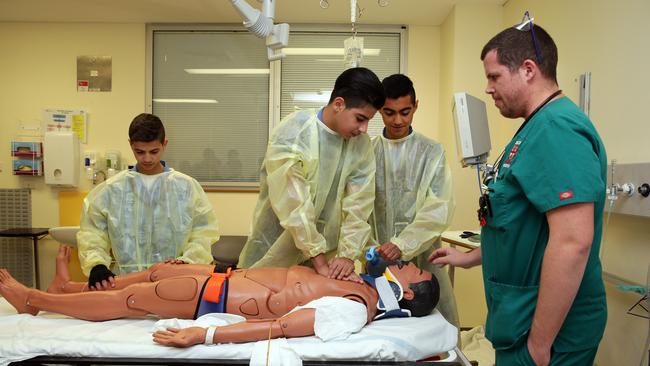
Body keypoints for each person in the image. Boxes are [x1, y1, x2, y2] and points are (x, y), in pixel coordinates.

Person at [430, 20, 607, 366]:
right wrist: (471, 257)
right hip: (522, 321)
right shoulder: (534, 129)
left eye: (494, 77)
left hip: (548, 335)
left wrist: (540, 344)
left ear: (528, 70)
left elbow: (573, 241)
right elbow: (523, 226)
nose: (488, 88)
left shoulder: (556, 129)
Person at [0, 246, 439, 347]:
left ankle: (34, 301)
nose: (404, 263)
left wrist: (203, 336)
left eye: (411, 269)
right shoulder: (358, 283)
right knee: (156, 272)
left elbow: (279, 328)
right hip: (225, 274)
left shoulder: (352, 311)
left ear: (407, 290)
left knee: (133, 299)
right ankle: (69, 289)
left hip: (216, 297)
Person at [238, 67, 385, 281]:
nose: (364, 129)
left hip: (327, 260)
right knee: (260, 304)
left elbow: (359, 206)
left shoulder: (360, 146)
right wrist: (318, 257)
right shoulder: (295, 131)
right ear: (338, 104)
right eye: (360, 118)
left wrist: (346, 256)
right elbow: (293, 203)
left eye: (368, 121)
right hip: (275, 253)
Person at [77, 113, 220, 291]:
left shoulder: (187, 187)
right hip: (125, 285)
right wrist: (96, 264)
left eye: (154, 152)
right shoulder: (112, 189)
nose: (147, 159)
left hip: (176, 283)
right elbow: (92, 233)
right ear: (131, 144)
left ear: (164, 144)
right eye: (139, 152)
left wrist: (188, 261)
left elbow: (203, 233)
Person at [368, 74, 458, 328]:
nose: (398, 120)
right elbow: (357, 207)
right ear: (378, 110)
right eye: (389, 112)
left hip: (426, 254)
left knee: (438, 318)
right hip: (380, 254)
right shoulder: (366, 151)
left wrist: (403, 243)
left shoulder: (431, 152)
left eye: (405, 112)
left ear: (416, 106)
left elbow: (439, 205)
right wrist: (375, 247)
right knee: (384, 319)